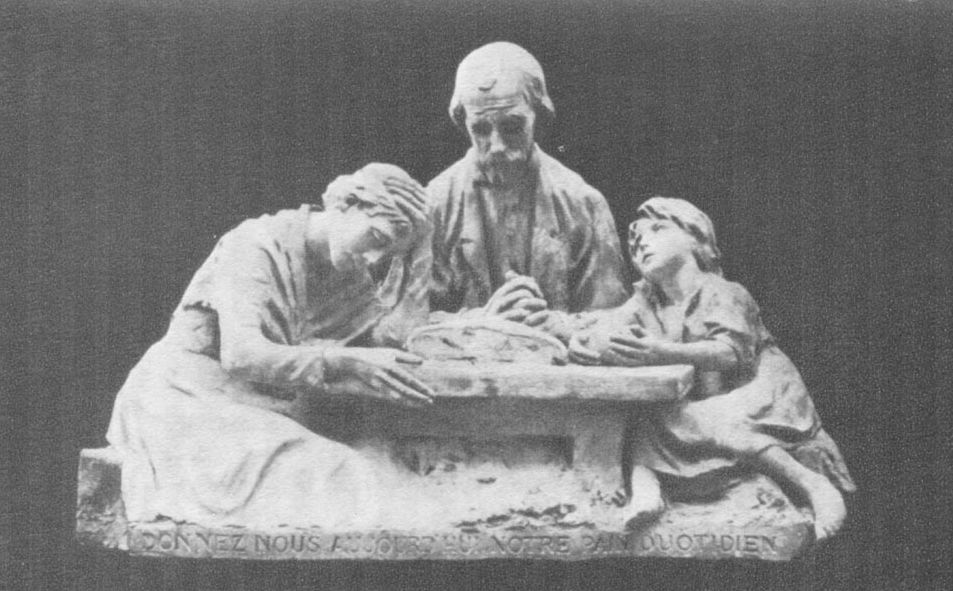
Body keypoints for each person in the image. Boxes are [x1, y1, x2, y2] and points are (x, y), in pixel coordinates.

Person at [106, 163, 436, 528]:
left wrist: (422, 250)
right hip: (187, 402)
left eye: (388, 253)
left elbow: (396, 341)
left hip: (261, 405)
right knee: (344, 472)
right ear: (348, 203)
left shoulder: (349, 276)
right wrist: (345, 362)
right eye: (376, 237)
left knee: (391, 462)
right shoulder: (256, 245)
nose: (375, 258)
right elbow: (241, 355)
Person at [568, 197, 855, 542]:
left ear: (696, 238)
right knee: (644, 419)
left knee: (719, 421)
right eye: (635, 240)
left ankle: (813, 485)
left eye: (657, 229)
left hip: (760, 386)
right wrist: (583, 341)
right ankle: (647, 488)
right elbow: (607, 326)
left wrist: (661, 352)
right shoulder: (646, 301)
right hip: (702, 398)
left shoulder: (722, 291)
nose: (642, 243)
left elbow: (731, 353)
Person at [427, 41, 629, 337]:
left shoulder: (583, 203)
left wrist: (561, 326)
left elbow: (614, 318)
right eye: (480, 129)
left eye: (512, 127)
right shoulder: (434, 204)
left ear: (539, 116)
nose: (497, 145)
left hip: (559, 363)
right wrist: (480, 321)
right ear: (464, 123)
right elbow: (404, 322)